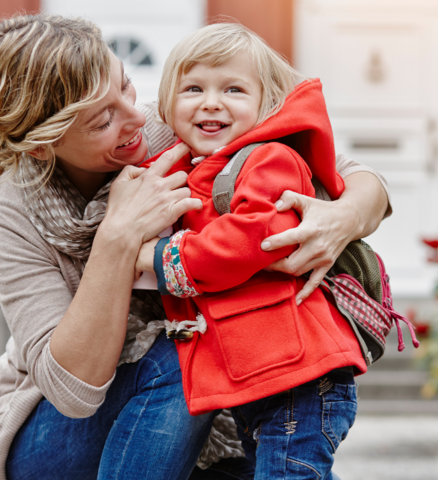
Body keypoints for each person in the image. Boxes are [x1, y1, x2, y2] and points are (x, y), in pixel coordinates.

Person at [0, 13, 390, 480]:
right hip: (52, 436)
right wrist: (116, 240)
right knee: (186, 343)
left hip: (202, 407)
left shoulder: (175, 129)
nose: (136, 117)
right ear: (42, 147)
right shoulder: (13, 213)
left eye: (125, 87)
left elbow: (352, 175)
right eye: (104, 120)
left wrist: (341, 220)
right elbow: (74, 393)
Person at [137, 23, 379, 479]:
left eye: (233, 89)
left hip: (300, 379)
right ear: (167, 105)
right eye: (193, 88)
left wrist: (161, 257)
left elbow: (256, 236)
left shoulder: (269, 159)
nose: (211, 101)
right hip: (264, 375)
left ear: (265, 106)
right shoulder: (193, 169)